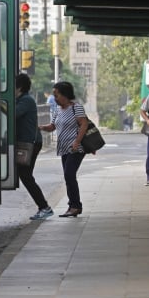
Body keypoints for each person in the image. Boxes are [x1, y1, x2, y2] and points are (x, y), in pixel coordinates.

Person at [39, 81, 89, 218]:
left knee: (69, 175)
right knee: (68, 176)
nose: (54, 98)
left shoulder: (76, 108)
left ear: (65, 95)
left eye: (57, 95)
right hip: (64, 148)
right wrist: (41, 127)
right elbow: (52, 126)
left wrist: (77, 141)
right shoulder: (57, 110)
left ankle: (75, 206)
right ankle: (73, 206)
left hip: (76, 148)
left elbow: (84, 124)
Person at [15, 73, 53, 220]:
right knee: (26, 176)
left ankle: (44, 207)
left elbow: (13, 114)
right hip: (29, 142)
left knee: (25, 176)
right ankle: (43, 207)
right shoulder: (23, 100)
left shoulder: (26, 100)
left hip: (30, 142)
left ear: (19, 87)